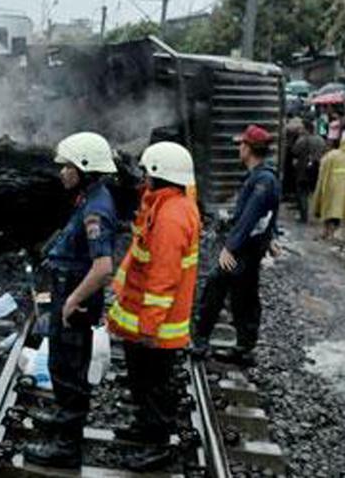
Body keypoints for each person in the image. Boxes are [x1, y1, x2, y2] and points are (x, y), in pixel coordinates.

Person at [24, 132, 118, 469]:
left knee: (69, 372)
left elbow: (104, 267)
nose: (62, 172)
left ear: (84, 169)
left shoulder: (96, 210)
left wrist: (71, 301)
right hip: (69, 292)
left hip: (76, 300)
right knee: (61, 365)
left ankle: (67, 448)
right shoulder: (88, 199)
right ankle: (64, 423)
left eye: (67, 167)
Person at [105, 142, 200, 472]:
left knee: (154, 385)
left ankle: (158, 444)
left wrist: (148, 327)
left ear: (161, 174)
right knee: (142, 381)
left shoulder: (172, 217)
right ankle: (146, 426)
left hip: (156, 326)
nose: (143, 177)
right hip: (146, 317)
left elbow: (162, 280)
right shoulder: (164, 204)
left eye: (147, 172)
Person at [193, 125, 280, 366]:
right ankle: (244, 347)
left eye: (242, 144)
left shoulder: (263, 179)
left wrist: (229, 248)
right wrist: (271, 237)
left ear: (249, 148)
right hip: (251, 246)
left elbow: (252, 216)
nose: (239, 148)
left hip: (244, 249)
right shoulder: (261, 176)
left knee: (216, 285)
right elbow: (266, 214)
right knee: (244, 294)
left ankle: (201, 341)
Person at [291, 120, 327, 224]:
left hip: (303, 169)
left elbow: (295, 151)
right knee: (316, 191)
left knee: (302, 192)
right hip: (317, 168)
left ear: (306, 129)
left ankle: (304, 216)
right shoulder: (320, 140)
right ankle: (317, 213)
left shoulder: (302, 140)